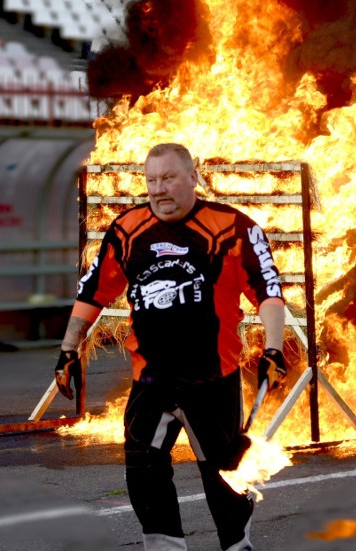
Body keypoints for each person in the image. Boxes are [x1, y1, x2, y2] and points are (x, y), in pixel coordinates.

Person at [53, 143, 288, 551]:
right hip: (151, 379)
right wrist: (68, 349)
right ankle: (164, 547)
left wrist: (273, 348)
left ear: (194, 177)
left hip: (212, 379)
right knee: (143, 468)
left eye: (169, 178)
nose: (159, 189)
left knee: (224, 474)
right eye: (151, 180)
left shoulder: (233, 227)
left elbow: (268, 292)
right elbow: (93, 292)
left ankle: (236, 545)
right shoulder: (127, 229)